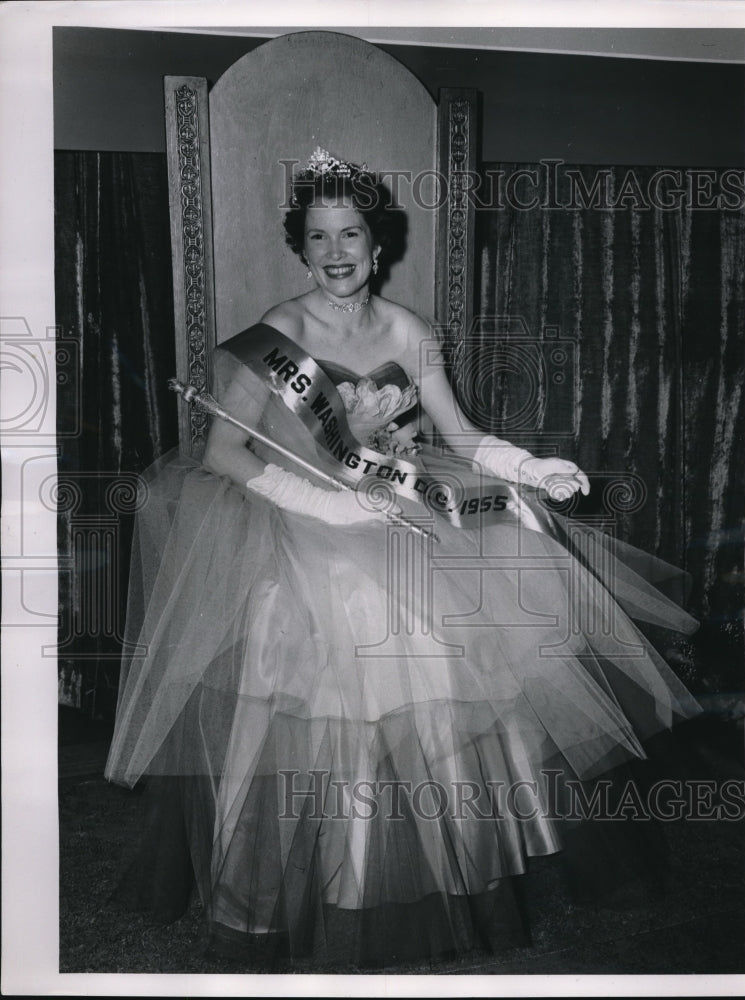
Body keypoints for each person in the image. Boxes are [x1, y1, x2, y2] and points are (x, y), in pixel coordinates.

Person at [106, 148, 702, 969]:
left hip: (403, 504)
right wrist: (324, 503)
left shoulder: (409, 329)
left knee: (456, 643)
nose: (337, 250)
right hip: (299, 520)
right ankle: (311, 879)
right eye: (319, 237)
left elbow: (457, 435)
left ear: (377, 243)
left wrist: (531, 469)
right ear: (301, 247)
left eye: (351, 232)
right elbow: (222, 455)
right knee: (349, 633)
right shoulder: (275, 336)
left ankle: (439, 861)